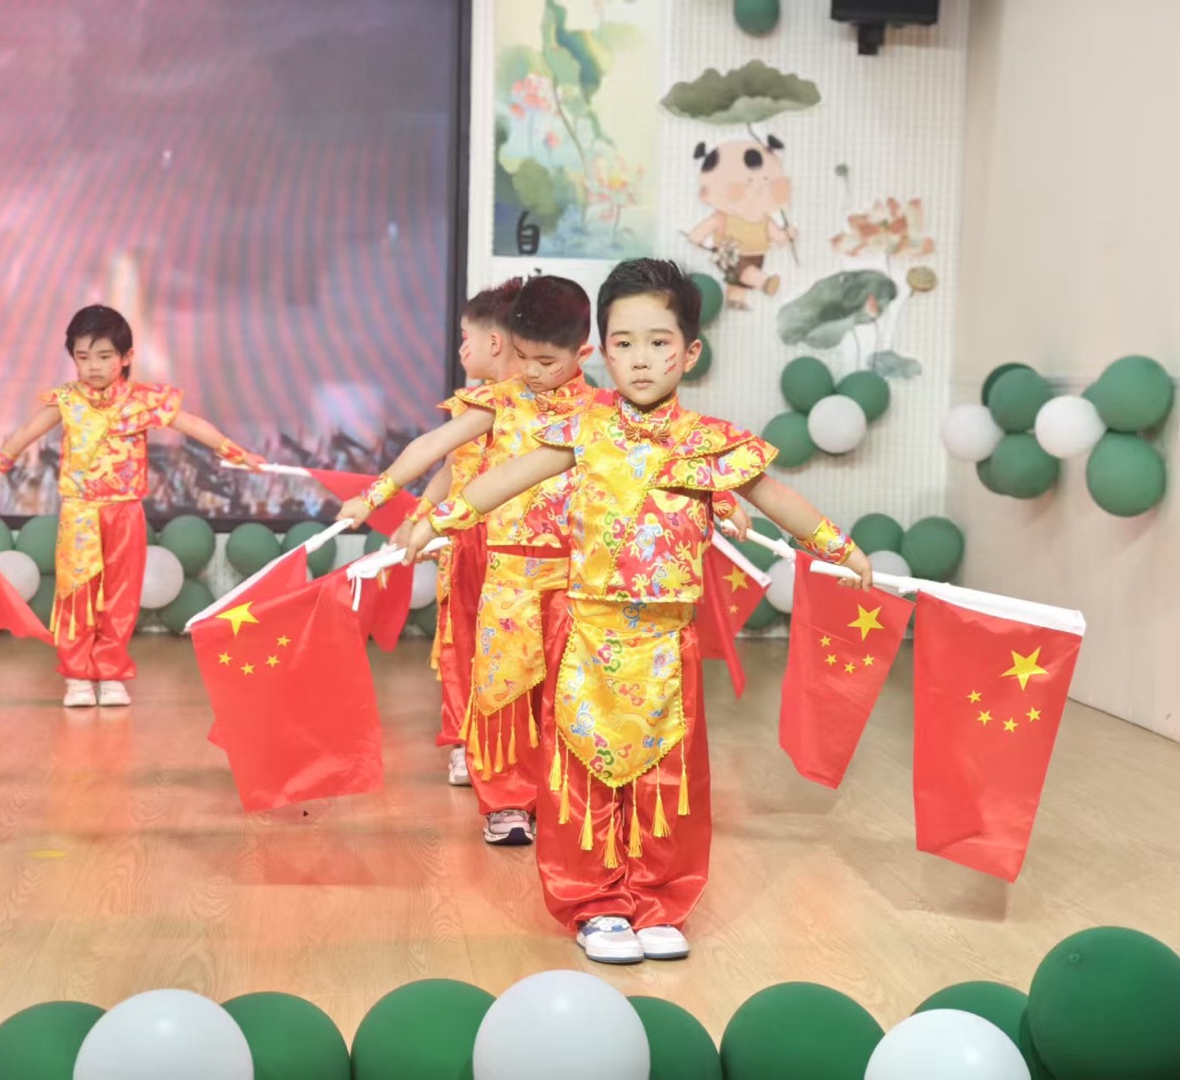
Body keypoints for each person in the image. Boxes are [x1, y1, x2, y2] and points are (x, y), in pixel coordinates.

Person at [404, 258, 873, 964]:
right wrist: (440, 519)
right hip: (588, 636)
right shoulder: (582, 430)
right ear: (603, 350)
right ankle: (594, 902)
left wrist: (840, 546)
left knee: (666, 778)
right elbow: (508, 478)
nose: (642, 359)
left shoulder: (708, 443)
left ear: (690, 352)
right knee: (583, 774)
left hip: (666, 642)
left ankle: (660, 899)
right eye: (624, 343)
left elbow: (773, 497)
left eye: (659, 342)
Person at [339, 275, 596, 846]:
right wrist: (375, 496)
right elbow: (433, 449)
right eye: (522, 357)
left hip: (578, 577)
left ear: (583, 354)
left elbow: (661, 455)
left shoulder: (601, 412)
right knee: (503, 689)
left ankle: (563, 801)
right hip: (508, 573)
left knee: (568, 694)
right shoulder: (503, 400)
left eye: (546, 362)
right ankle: (507, 803)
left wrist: (722, 502)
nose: (531, 372)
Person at [0, 305, 264, 708]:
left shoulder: (142, 400)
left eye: (104, 356)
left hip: (125, 511)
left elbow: (192, 424)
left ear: (126, 357)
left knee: (121, 595)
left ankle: (110, 673)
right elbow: (27, 431)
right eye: (83, 356)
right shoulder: (67, 399)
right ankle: (77, 676)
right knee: (77, 594)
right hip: (80, 512)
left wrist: (237, 453)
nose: (93, 366)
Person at [392, 279, 524, 788]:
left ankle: (515, 749)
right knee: (461, 644)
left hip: (517, 544)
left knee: (514, 651)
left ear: (495, 341)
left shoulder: (536, 406)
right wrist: (419, 515)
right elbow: (450, 467)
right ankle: (466, 744)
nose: (462, 349)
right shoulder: (471, 406)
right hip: (464, 542)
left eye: (467, 338)